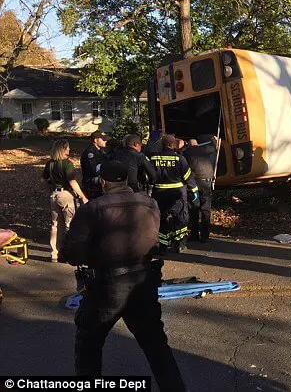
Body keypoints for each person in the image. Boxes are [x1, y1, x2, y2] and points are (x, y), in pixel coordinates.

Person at [61, 161, 186, 391]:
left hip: (106, 287)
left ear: (104, 182)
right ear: (126, 181)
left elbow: (73, 253)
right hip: (143, 281)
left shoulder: (93, 209)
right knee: (157, 347)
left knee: (89, 344)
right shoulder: (149, 204)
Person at [150, 135, 199, 254]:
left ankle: (163, 246)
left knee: (162, 218)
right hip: (177, 193)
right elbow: (188, 176)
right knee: (180, 218)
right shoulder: (179, 158)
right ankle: (179, 244)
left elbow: (149, 176)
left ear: (162, 144)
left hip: (159, 193)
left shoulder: (153, 158)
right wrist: (194, 190)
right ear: (173, 145)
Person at [42, 139, 88, 262]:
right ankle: (68, 253)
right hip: (66, 195)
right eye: (67, 148)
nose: (69, 150)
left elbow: (45, 180)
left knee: (55, 225)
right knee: (69, 224)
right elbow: (72, 181)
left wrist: (49, 192)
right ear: (62, 149)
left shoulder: (50, 164)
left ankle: (54, 254)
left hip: (54, 195)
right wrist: (83, 196)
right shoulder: (67, 164)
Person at [183, 134, 219, 242]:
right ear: (197, 144)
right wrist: (214, 140)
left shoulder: (186, 153)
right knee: (205, 209)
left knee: (193, 208)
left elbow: (183, 166)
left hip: (194, 182)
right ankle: (205, 236)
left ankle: (194, 234)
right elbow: (214, 147)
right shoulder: (205, 150)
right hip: (207, 180)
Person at [80, 131, 109, 199]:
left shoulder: (101, 151)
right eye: (103, 139)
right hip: (92, 186)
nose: (105, 141)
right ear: (96, 140)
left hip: (99, 184)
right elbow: (94, 170)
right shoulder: (90, 153)